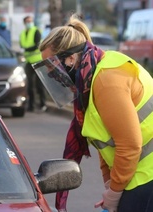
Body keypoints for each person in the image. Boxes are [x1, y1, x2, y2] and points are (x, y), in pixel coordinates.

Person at [33, 14, 153, 212]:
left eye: (52, 66)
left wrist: (114, 193)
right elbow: (104, 140)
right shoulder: (89, 82)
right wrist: (111, 187)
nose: (53, 75)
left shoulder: (105, 81)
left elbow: (130, 145)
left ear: (70, 58)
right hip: (136, 177)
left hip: (147, 177)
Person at [19, 16, 46, 112]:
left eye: (30, 21)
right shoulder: (22, 34)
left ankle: (43, 104)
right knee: (29, 85)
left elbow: (36, 45)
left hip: (38, 61)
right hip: (28, 61)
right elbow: (22, 45)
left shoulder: (36, 31)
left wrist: (27, 49)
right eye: (27, 22)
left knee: (39, 84)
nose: (29, 23)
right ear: (24, 23)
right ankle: (31, 105)